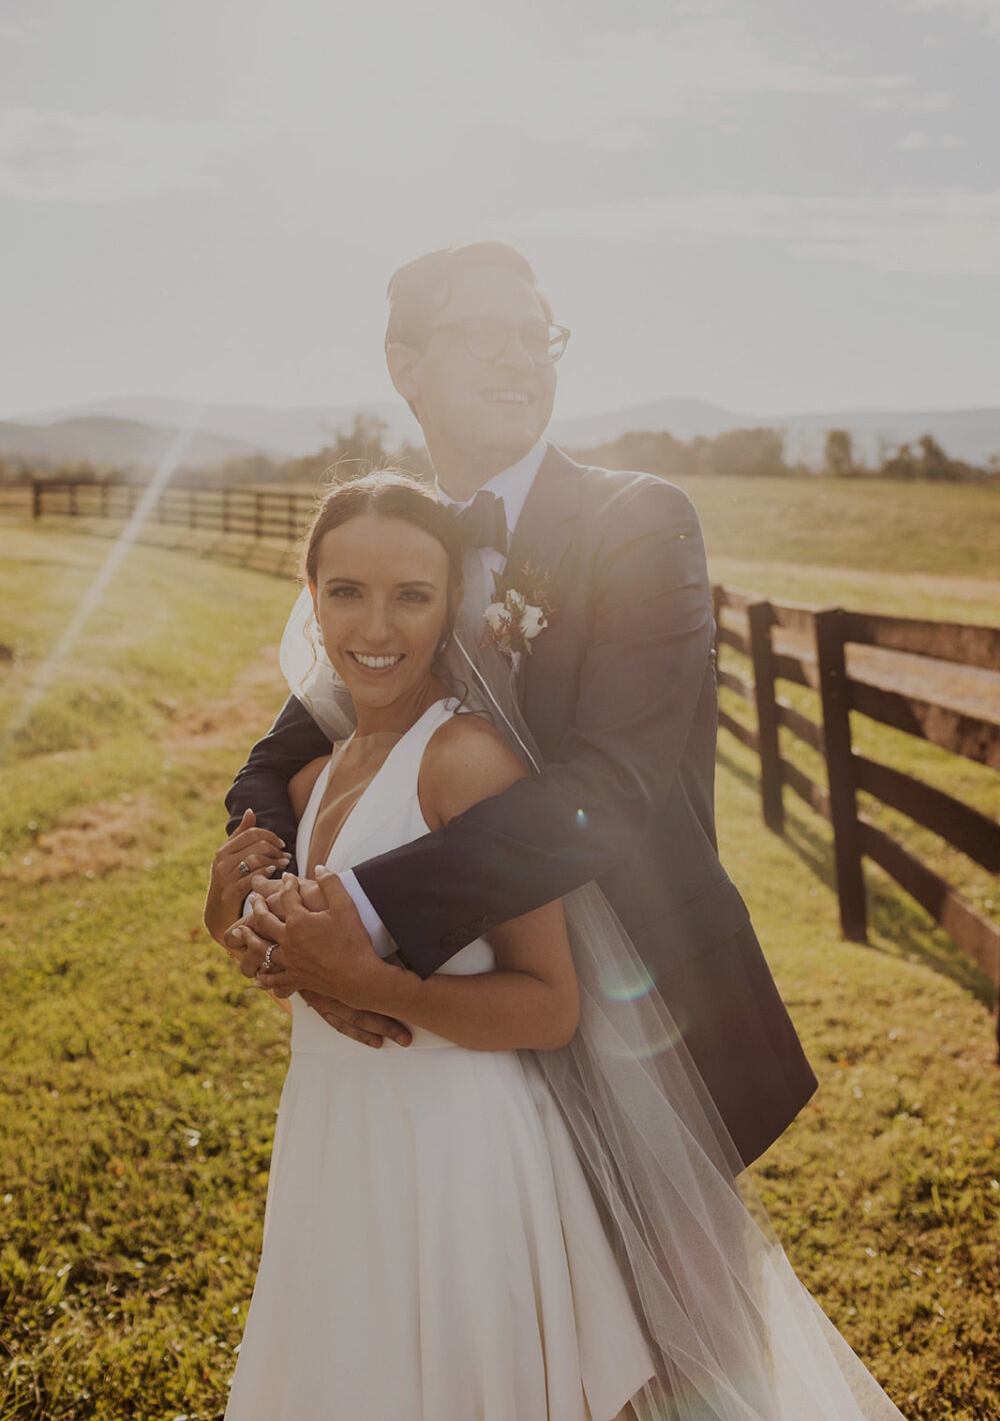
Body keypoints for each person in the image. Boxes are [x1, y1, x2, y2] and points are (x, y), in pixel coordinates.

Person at [210, 472, 908, 1421]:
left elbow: (550, 1006)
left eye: (413, 595)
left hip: (461, 1159)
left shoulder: (465, 762)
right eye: (347, 593)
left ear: (452, 605)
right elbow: (305, 953)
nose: (377, 626)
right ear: (311, 601)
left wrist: (378, 981)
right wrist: (243, 922)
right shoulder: (313, 782)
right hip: (339, 1140)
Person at [218, 241, 816, 1167]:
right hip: (460, 1024)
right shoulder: (407, 545)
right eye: (486, 334)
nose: (521, 357)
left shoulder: (640, 522)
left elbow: (612, 789)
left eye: (538, 336)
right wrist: (273, 906)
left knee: (662, 1307)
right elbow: (283, 746)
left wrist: (359, 922)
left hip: (643, 998)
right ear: (405, 366)